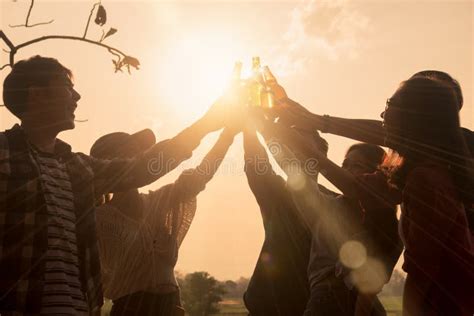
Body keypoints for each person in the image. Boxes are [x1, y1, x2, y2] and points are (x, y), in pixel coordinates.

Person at [0, 55, 230, 315]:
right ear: (37, 94)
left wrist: (208, 123)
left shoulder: (78, 168)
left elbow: (145, 167)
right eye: (67, 86)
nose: (76, 97)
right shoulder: (4, 153)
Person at [268, 70, 474, 232]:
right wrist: (314, 121)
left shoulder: (430, 170)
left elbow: (357, 185)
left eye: (394, 105)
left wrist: (309, 131)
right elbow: (357, 185)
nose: (384, 115)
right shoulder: (411, 167)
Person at [253, 115, 401, 316]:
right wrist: (268, 135)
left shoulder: (386, 224)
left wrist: (268, 132)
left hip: (331, 302)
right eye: (345, 164)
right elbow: (296, 172)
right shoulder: (331, 206)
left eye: (356, 166)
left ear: (376, 176)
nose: (345, 170)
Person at [91, 126, 238, 316]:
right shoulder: (98, 218)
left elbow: (201, 175)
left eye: (138, 153)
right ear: (110, 165)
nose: (139, 157)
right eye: (128, 154)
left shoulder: (158, 202)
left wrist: (227, 137)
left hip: (171, 306)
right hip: (131, 309)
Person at [381, 76, 474, 315]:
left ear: (414, 117)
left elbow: (423, 270)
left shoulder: (427, 180)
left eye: (390, 104)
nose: (383, 114)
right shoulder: (433, 174)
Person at [242, 123, 329, 316]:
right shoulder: (277, 193)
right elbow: (257, 162)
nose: (291, 151)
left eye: (300, 145)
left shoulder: (335, 204)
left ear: (321, 158)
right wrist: (248, 123)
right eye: (288, 144)